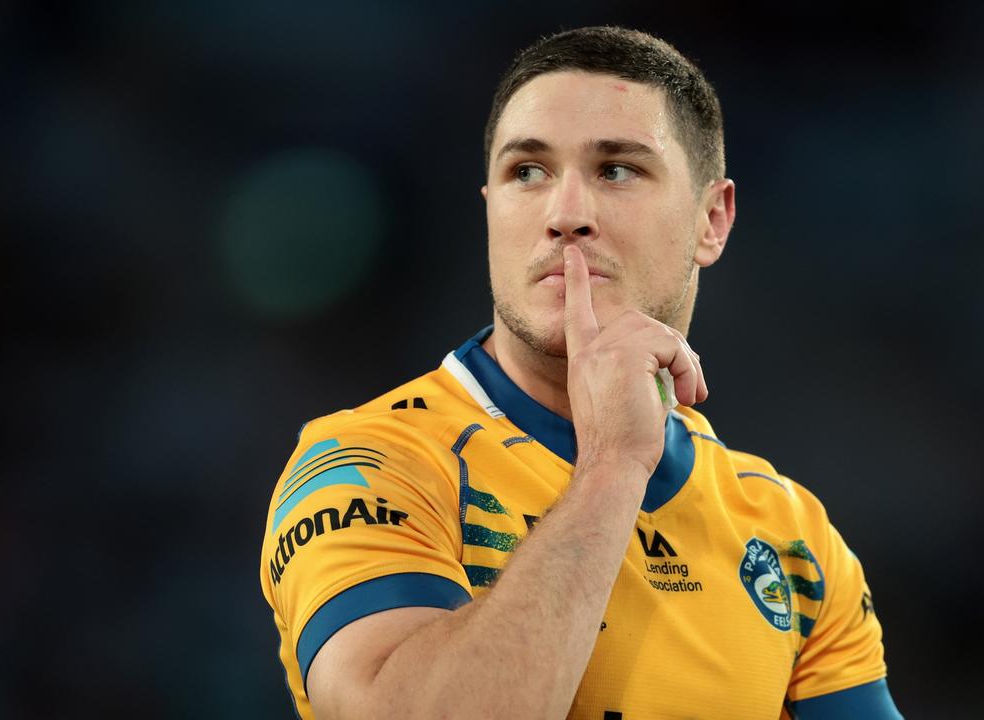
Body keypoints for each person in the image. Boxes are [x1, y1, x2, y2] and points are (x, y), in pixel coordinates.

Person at [259, 26, 903, 720]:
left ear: (711, 221)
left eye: (616, 170)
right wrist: (613, 465)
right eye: (526, 172)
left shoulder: (790, 535)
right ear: (490, 212)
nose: (565, 215)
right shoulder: (369, 464)